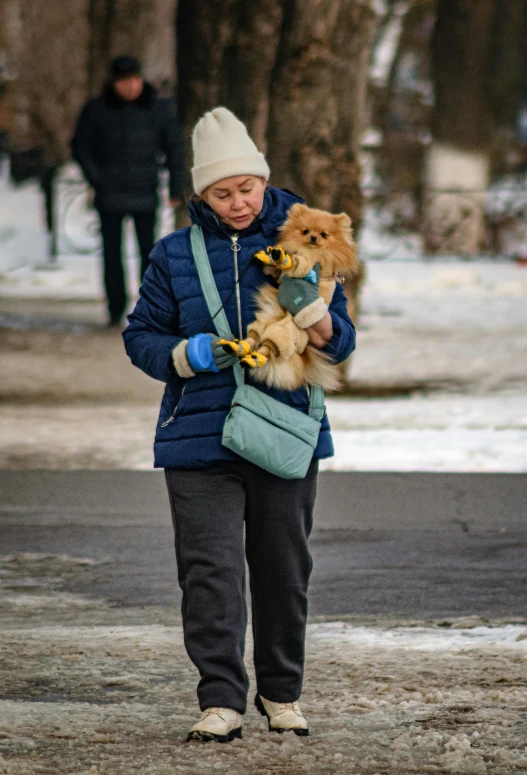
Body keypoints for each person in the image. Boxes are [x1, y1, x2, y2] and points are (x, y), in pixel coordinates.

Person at [123, 107, 356, 742]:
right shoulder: (173, 254)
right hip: (197, 435)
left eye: (247, 188)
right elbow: (140, 335)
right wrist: (185, 354)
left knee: (283, 569)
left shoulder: (305, 238)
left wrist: (314, 314)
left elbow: (341, 346)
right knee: (209, 573)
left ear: (263, 178)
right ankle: (221, 700)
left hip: (284, 429)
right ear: (200, 193)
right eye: (221, 193)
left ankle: (282, 695)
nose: (238, 203)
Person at [71, 55, 185, 327]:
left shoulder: (158, 108)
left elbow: (174, 149)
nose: (130, 86)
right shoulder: (96, 109)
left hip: (145, 192)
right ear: (114, 82)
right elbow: (80, 146)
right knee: (112, 254)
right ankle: (115, 308)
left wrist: (175, 188)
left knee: (149, 253)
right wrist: (96, 178)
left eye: (134, 80)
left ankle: (150, 308)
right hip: (109, 194)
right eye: (124, 81)